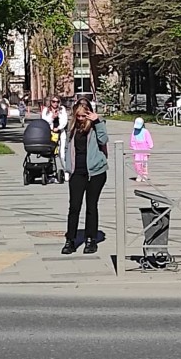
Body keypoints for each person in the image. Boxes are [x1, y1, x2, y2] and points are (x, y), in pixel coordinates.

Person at [62, 98, 108, 256]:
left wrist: (98, 122)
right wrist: (67, 166)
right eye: (78, 116)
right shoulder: (73, 127)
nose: (81, 119)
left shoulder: (96, 127)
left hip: (96, 172)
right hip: (77, 172)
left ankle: (91, 239)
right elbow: (68, 146)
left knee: (91, 206)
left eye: (83, 116)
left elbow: (104, 140)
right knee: (74, 207)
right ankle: (70, 240)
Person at [42, 96, 68, 168]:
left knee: (62, 154)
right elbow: (44, 121)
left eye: (57, 102)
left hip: (60, 134)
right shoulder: (46, 110)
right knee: (51, 154)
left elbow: (64, 121)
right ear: (50, 102)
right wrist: (52, 117)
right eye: (53, 101)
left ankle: (66, 171)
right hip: (50, 134)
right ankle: (51, 170)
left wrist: (59, 128)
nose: (55, 103)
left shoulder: (62, 109)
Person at [130, 116, 153, 182]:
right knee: (137, 163)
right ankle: (139, 174)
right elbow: (132, 140)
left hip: (144, 149)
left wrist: (150, 146)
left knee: (144, 163)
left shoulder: (145, 131)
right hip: (137, 150)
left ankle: (144, 175)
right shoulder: (134, 131)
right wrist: (133, 147)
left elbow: (149, 139)